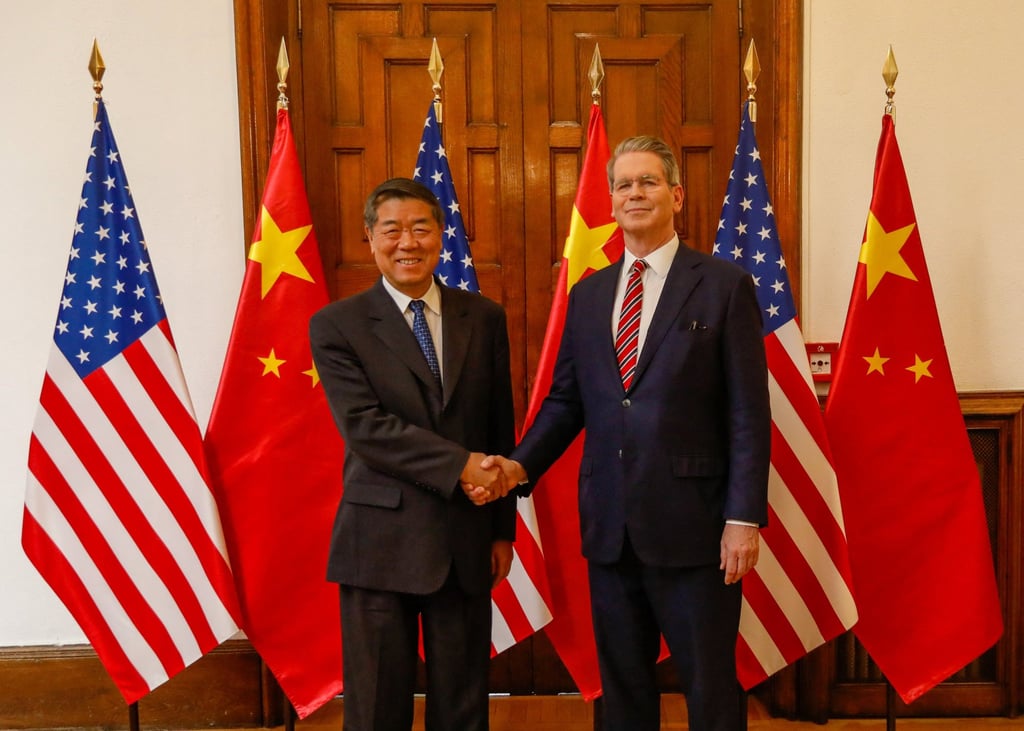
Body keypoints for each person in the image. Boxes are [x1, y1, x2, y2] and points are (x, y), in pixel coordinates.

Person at [479, 136, 771, 731]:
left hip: (697, 527)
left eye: (648, 182)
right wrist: (516, 467)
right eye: (623, 185)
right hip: (611, 528)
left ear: (676, 195)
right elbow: (566, 402)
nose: (634, 193)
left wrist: (744, 518)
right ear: (610, 202)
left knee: (710, 687)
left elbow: (748, 411)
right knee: (623, 688)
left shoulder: (723, 284)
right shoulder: (587, 296)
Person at [309, 177, 515, 731]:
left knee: (464, 705)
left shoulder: (484, 317)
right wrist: (460, 466)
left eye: (421, 228)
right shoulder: (337, 325)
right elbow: (366, 428)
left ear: (440, 235)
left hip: (465, 541)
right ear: (370, 239)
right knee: (377, 707)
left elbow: (499, 427)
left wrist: (502, 529)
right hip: (379, 544)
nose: (408, 242)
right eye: (392, 229)